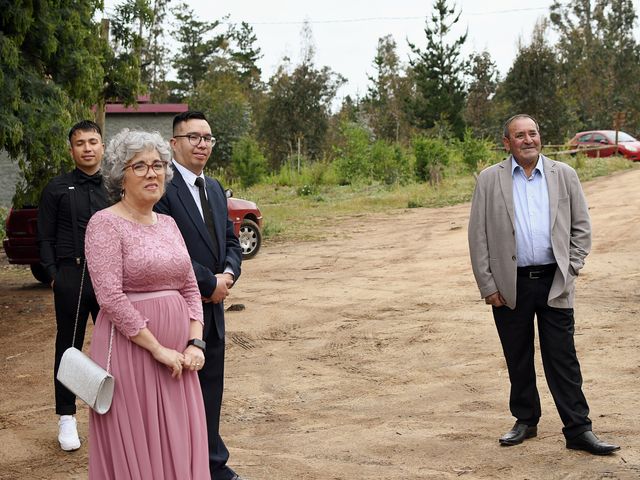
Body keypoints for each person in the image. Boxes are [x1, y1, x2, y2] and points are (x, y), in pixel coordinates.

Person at [468, 114, 620, 455]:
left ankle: (579, 430)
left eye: (533, 133)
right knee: (517, 356)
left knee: (563, 358)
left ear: (540, 137)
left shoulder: (563, 174)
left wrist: (572, 266)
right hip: (510, 285)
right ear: (507, 143)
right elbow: (478, 237)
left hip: (555, 282)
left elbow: (581, 227)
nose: (528, 140)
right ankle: (526, 420)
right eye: (519, 135)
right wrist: (487, 285)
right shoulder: (490, 180)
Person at [84, 129, 210, 479]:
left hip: (179, 359)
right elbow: (109, 297)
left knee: (178, 439)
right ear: (119, 176)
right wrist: (157, 349)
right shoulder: (104, 224)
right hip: (132, 355)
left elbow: (189, 285)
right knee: (138, 445)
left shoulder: (169, 223)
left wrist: (195, 342)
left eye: (157, 165)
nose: (152, 173)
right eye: (139, 166)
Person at [155, 111, 243, 480]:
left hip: (216, 309)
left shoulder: (216, 186)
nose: (202, 144)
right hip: (181, 309)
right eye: (194, 137)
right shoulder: (162, 188)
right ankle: (178, 465)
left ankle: (212, 465)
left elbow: (231, 241)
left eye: (208, 138)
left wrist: (228, 275)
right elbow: (165, 249)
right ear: (174, 143)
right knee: (178, 392)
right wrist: (208, 284)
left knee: (210, 391)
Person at [37, 120, 110, 451]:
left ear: (102, 146)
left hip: (109, 277)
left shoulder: (115, 185)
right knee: (68, 347)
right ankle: (66, 417)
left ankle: (114, 413)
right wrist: (54, 275)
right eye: (80, 143)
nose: (87, 148)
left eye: (93, 142)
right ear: (72, 149)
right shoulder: (56, 188)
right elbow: (45, 237)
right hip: (71, 276)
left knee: (117, 346)